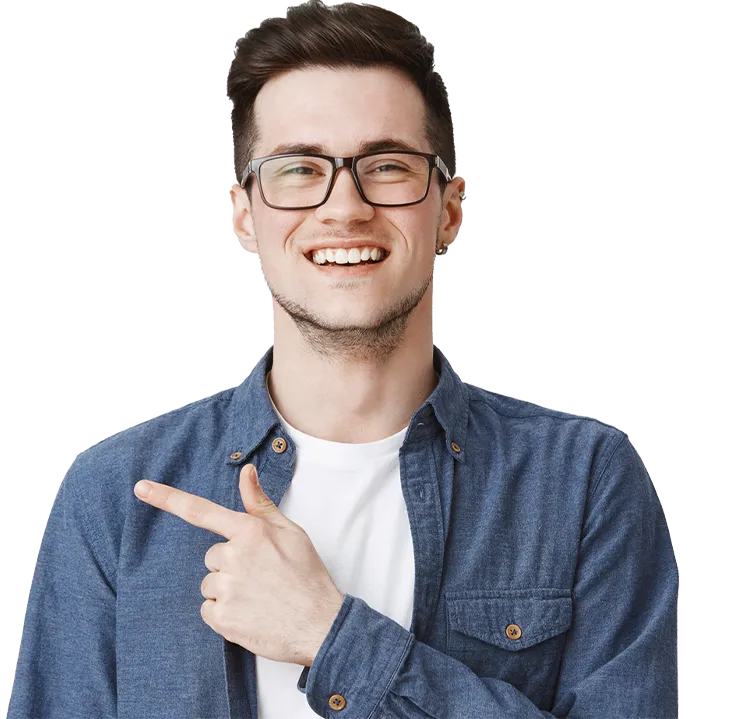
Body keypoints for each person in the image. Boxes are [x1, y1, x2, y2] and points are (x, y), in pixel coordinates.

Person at [7, 1, 679, 717]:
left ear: (449, 210)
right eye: (299, 169)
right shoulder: (117, 495)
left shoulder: (584, 481)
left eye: (386, 166)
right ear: (244, 213)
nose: (344, 207)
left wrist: (329, 634)